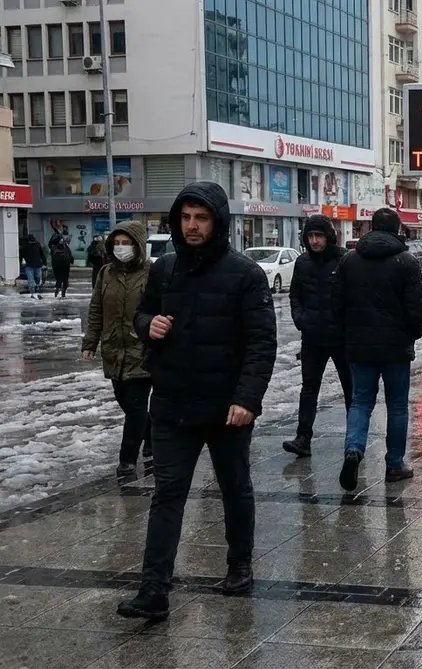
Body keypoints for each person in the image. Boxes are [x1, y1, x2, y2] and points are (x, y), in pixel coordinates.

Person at [117, 181, 276, 621]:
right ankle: (154, 589)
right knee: (167, 494)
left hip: (227, 408)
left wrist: (247, 399)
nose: (192, 226)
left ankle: (239, 564)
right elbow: (140, 313)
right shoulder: (164, 269)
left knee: (234, 488)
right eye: (185, 217)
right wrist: (148, 324)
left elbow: (262, 344)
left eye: (201, 218)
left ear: (217, 221)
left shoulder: (246, 274)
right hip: (171, 405)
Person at [333, 208, 422, 491]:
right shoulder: (406, 261)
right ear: (397, 229)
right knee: (397, 405)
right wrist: (413, 333)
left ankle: (353, 451)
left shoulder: (350, 260)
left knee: (361, 401)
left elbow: (336, 303)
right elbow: (417, 305)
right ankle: (395, 464)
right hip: (396, 347)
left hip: (359, 346)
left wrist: (347, 333)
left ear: (371, 228)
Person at [82, 222, 154, 476]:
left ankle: (127, 460)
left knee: (135, 407)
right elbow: (96, 309)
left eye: (127, 243)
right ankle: (152, 437)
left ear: (138, 245)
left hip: (141, 350)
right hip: (113, 350)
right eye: (117, 243)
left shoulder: (151, 272)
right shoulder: (106, 273)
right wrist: (90, 341)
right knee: (126, 401)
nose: (121, 248)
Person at [283, 215, 352, 458]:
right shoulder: (302, 263)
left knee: (350, 390)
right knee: (309, 388)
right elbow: (295, 295)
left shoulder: (344, 261)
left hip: (341, 339)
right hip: (312, 337)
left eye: (318, 236)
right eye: (310, 236)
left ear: (328, 237)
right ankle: (303, 438)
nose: (314, 241)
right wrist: (301, 319)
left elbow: (354, 297)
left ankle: (354, 440)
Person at [19, 234, 46, 299]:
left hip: (37, 265)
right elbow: (21, 255)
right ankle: (33, 293)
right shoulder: (24, 246)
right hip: (29, 266)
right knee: (31, 280)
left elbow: (42, 254)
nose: (32, 242)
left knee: (38, 277)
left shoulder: (37, 245)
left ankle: (36, 287)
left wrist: (44, 262)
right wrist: (21, 262)